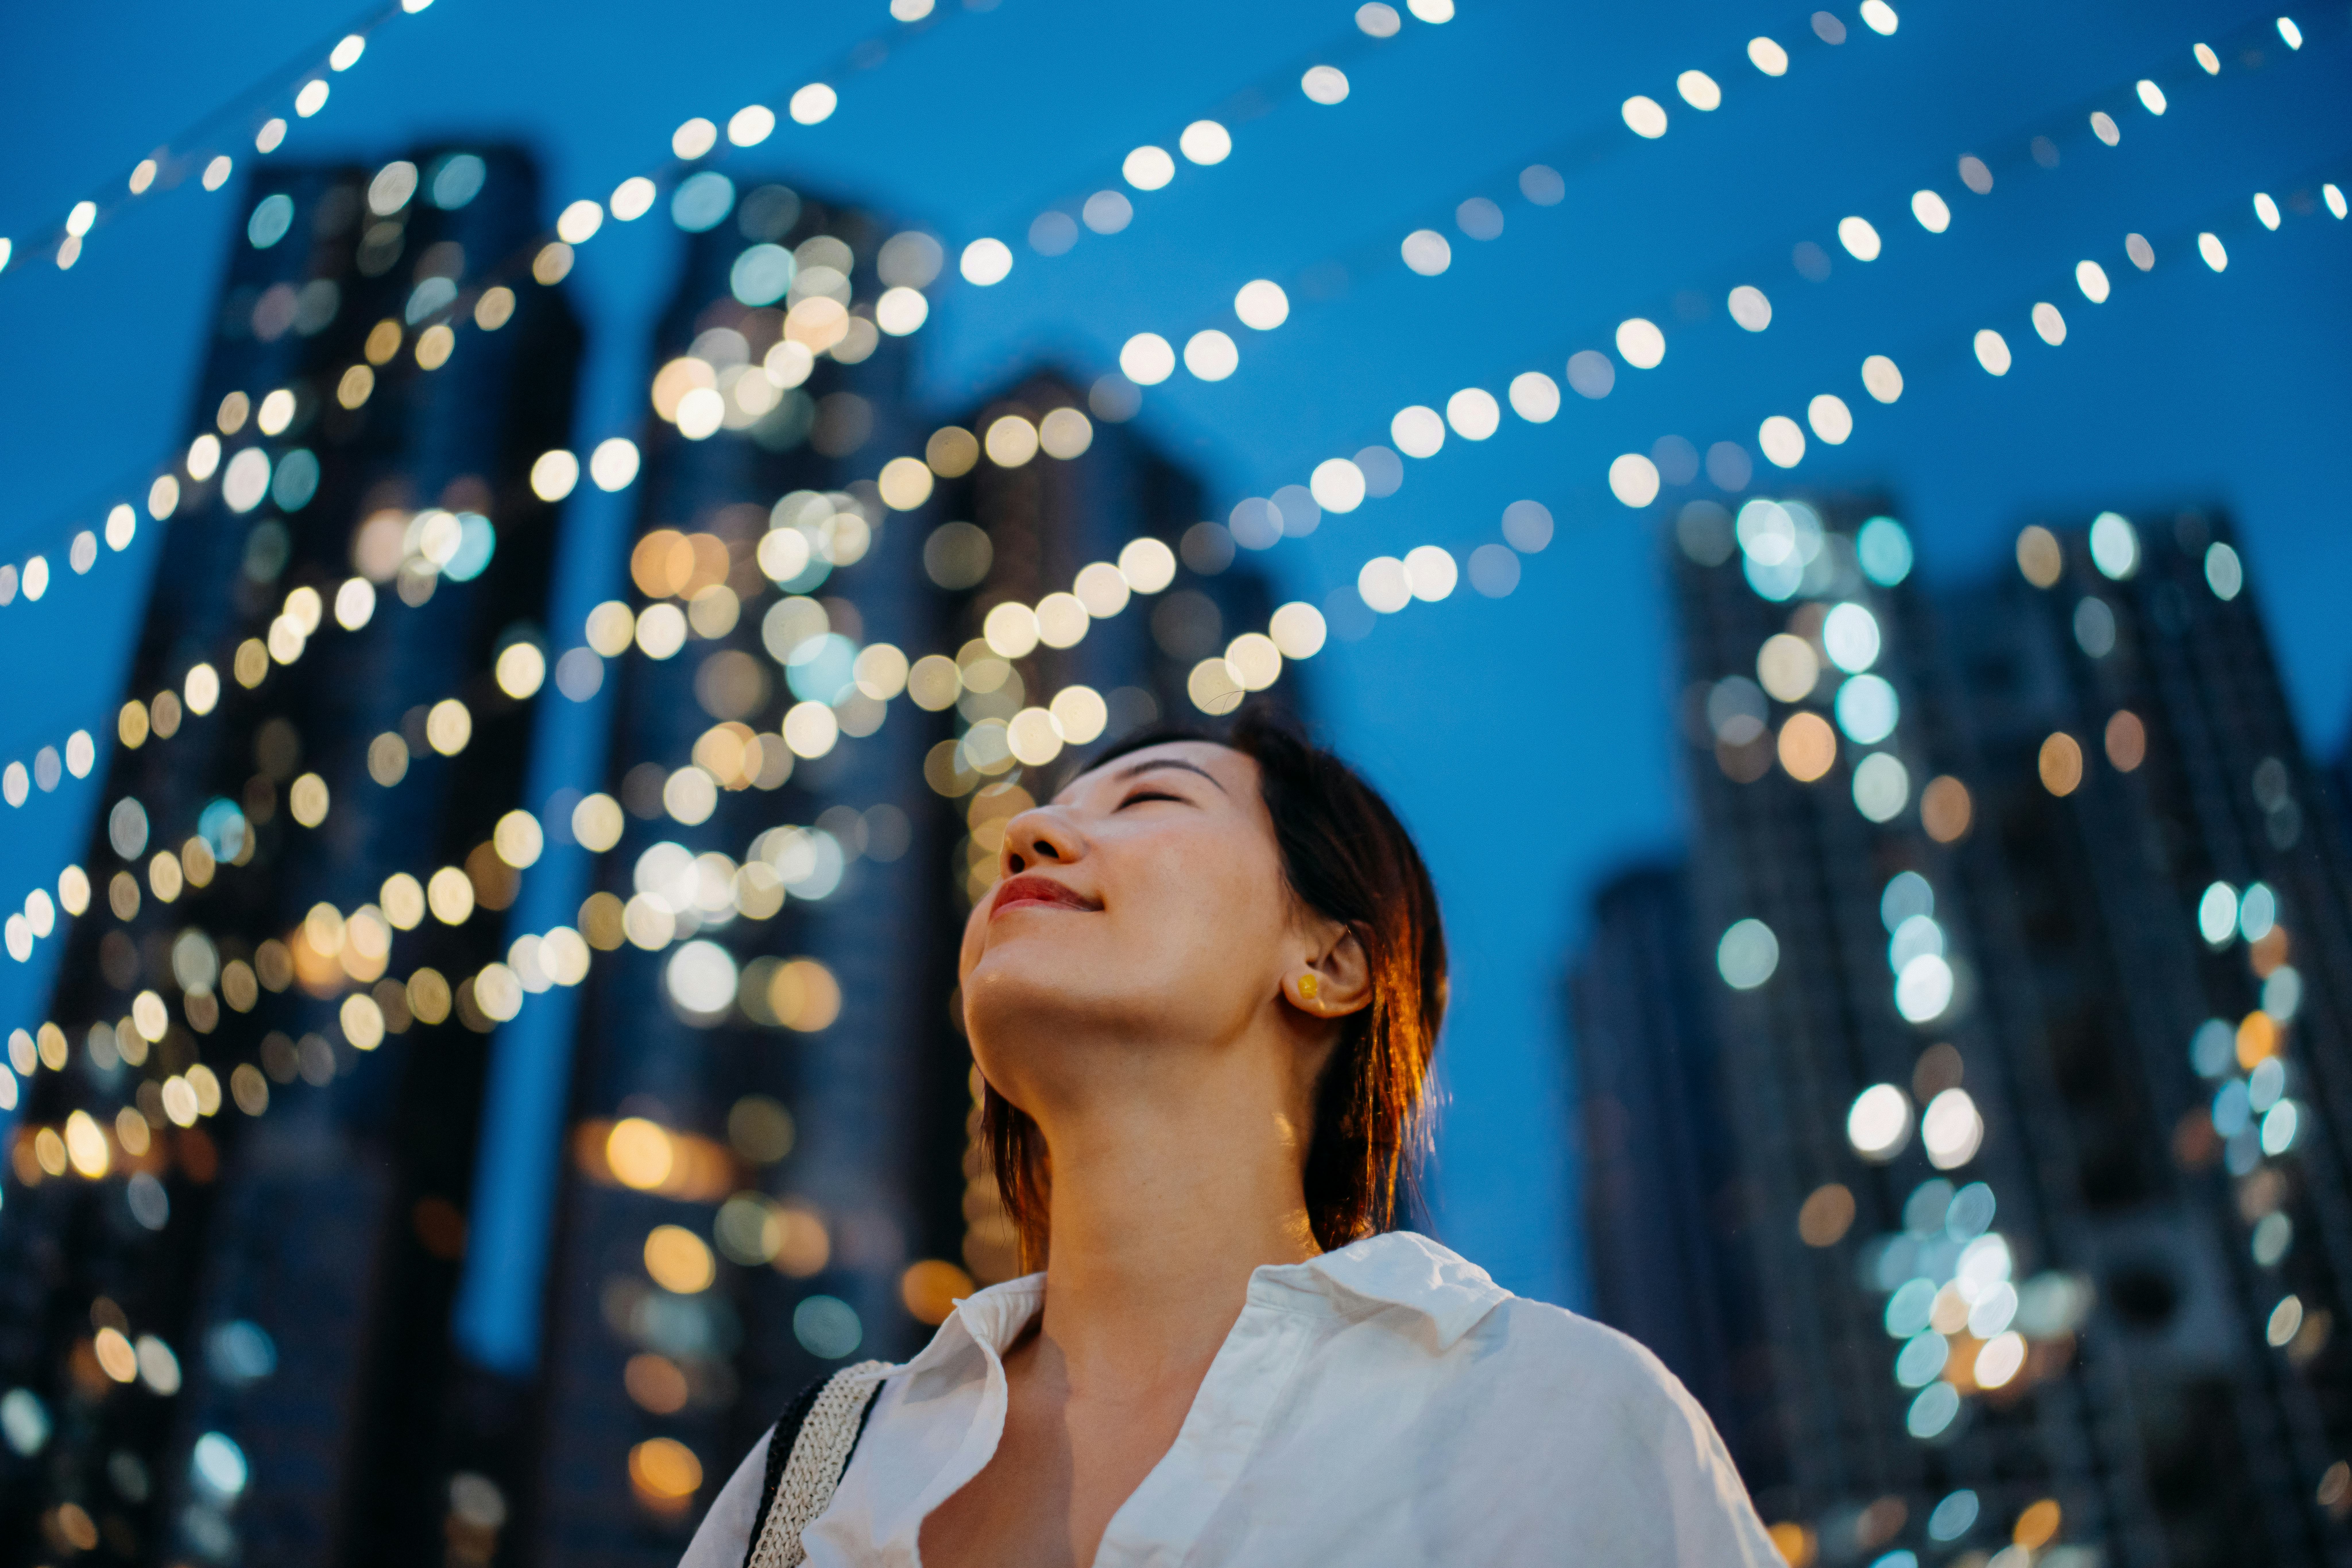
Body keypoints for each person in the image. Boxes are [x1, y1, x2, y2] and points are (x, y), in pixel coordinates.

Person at [684, 711, 1778, 1567]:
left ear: (1333, 962)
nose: (1026, 832)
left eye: (1153, 795)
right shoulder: (819, 1470)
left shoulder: (1554, 1416)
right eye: (1042, 815)